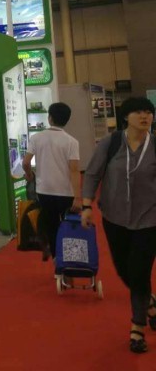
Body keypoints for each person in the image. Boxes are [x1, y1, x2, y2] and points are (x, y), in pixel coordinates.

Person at [82, 97, 156, 354]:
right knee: (124, 270)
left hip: (149, 219)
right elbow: (93, 173)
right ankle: (150, 303)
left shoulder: (154, 145)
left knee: (140, 271)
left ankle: (137, 328)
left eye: (149, 112)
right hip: (114, 218)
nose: (145, 116)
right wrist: (86, 205)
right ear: (126, 116)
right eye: (139, 112)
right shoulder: (111, 143)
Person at [21, 102, 81, 262]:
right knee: (69, 224)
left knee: (51, 224)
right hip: (66, 191)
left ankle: (56, 257)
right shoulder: (72, 142)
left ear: (50, 118)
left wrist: (29, 175)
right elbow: (74, 170)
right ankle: (70, 257)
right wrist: (78, 197)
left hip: (44, 190)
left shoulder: (36, 138)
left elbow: (26, 162)